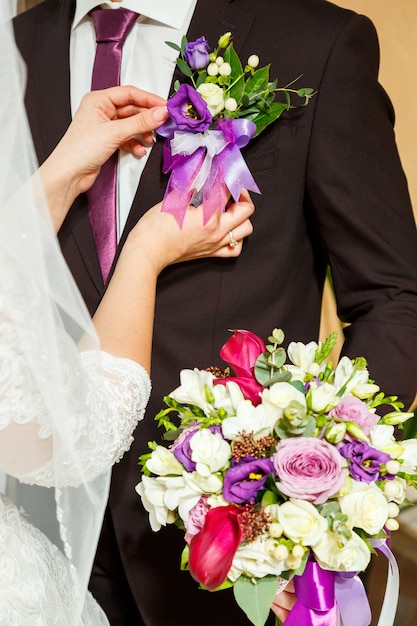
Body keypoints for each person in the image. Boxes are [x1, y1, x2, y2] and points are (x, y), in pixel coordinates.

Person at [14, 0, 417, 624]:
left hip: (237, 564)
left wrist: (306, 492)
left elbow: (395, 298)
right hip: (42, 550)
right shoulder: (14, 46)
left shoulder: (315, 41)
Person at [0, 9, 254, 625]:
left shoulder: (314, 35)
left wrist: (59, 174)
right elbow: (68, 437)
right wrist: (147, 252)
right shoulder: (19, 43)